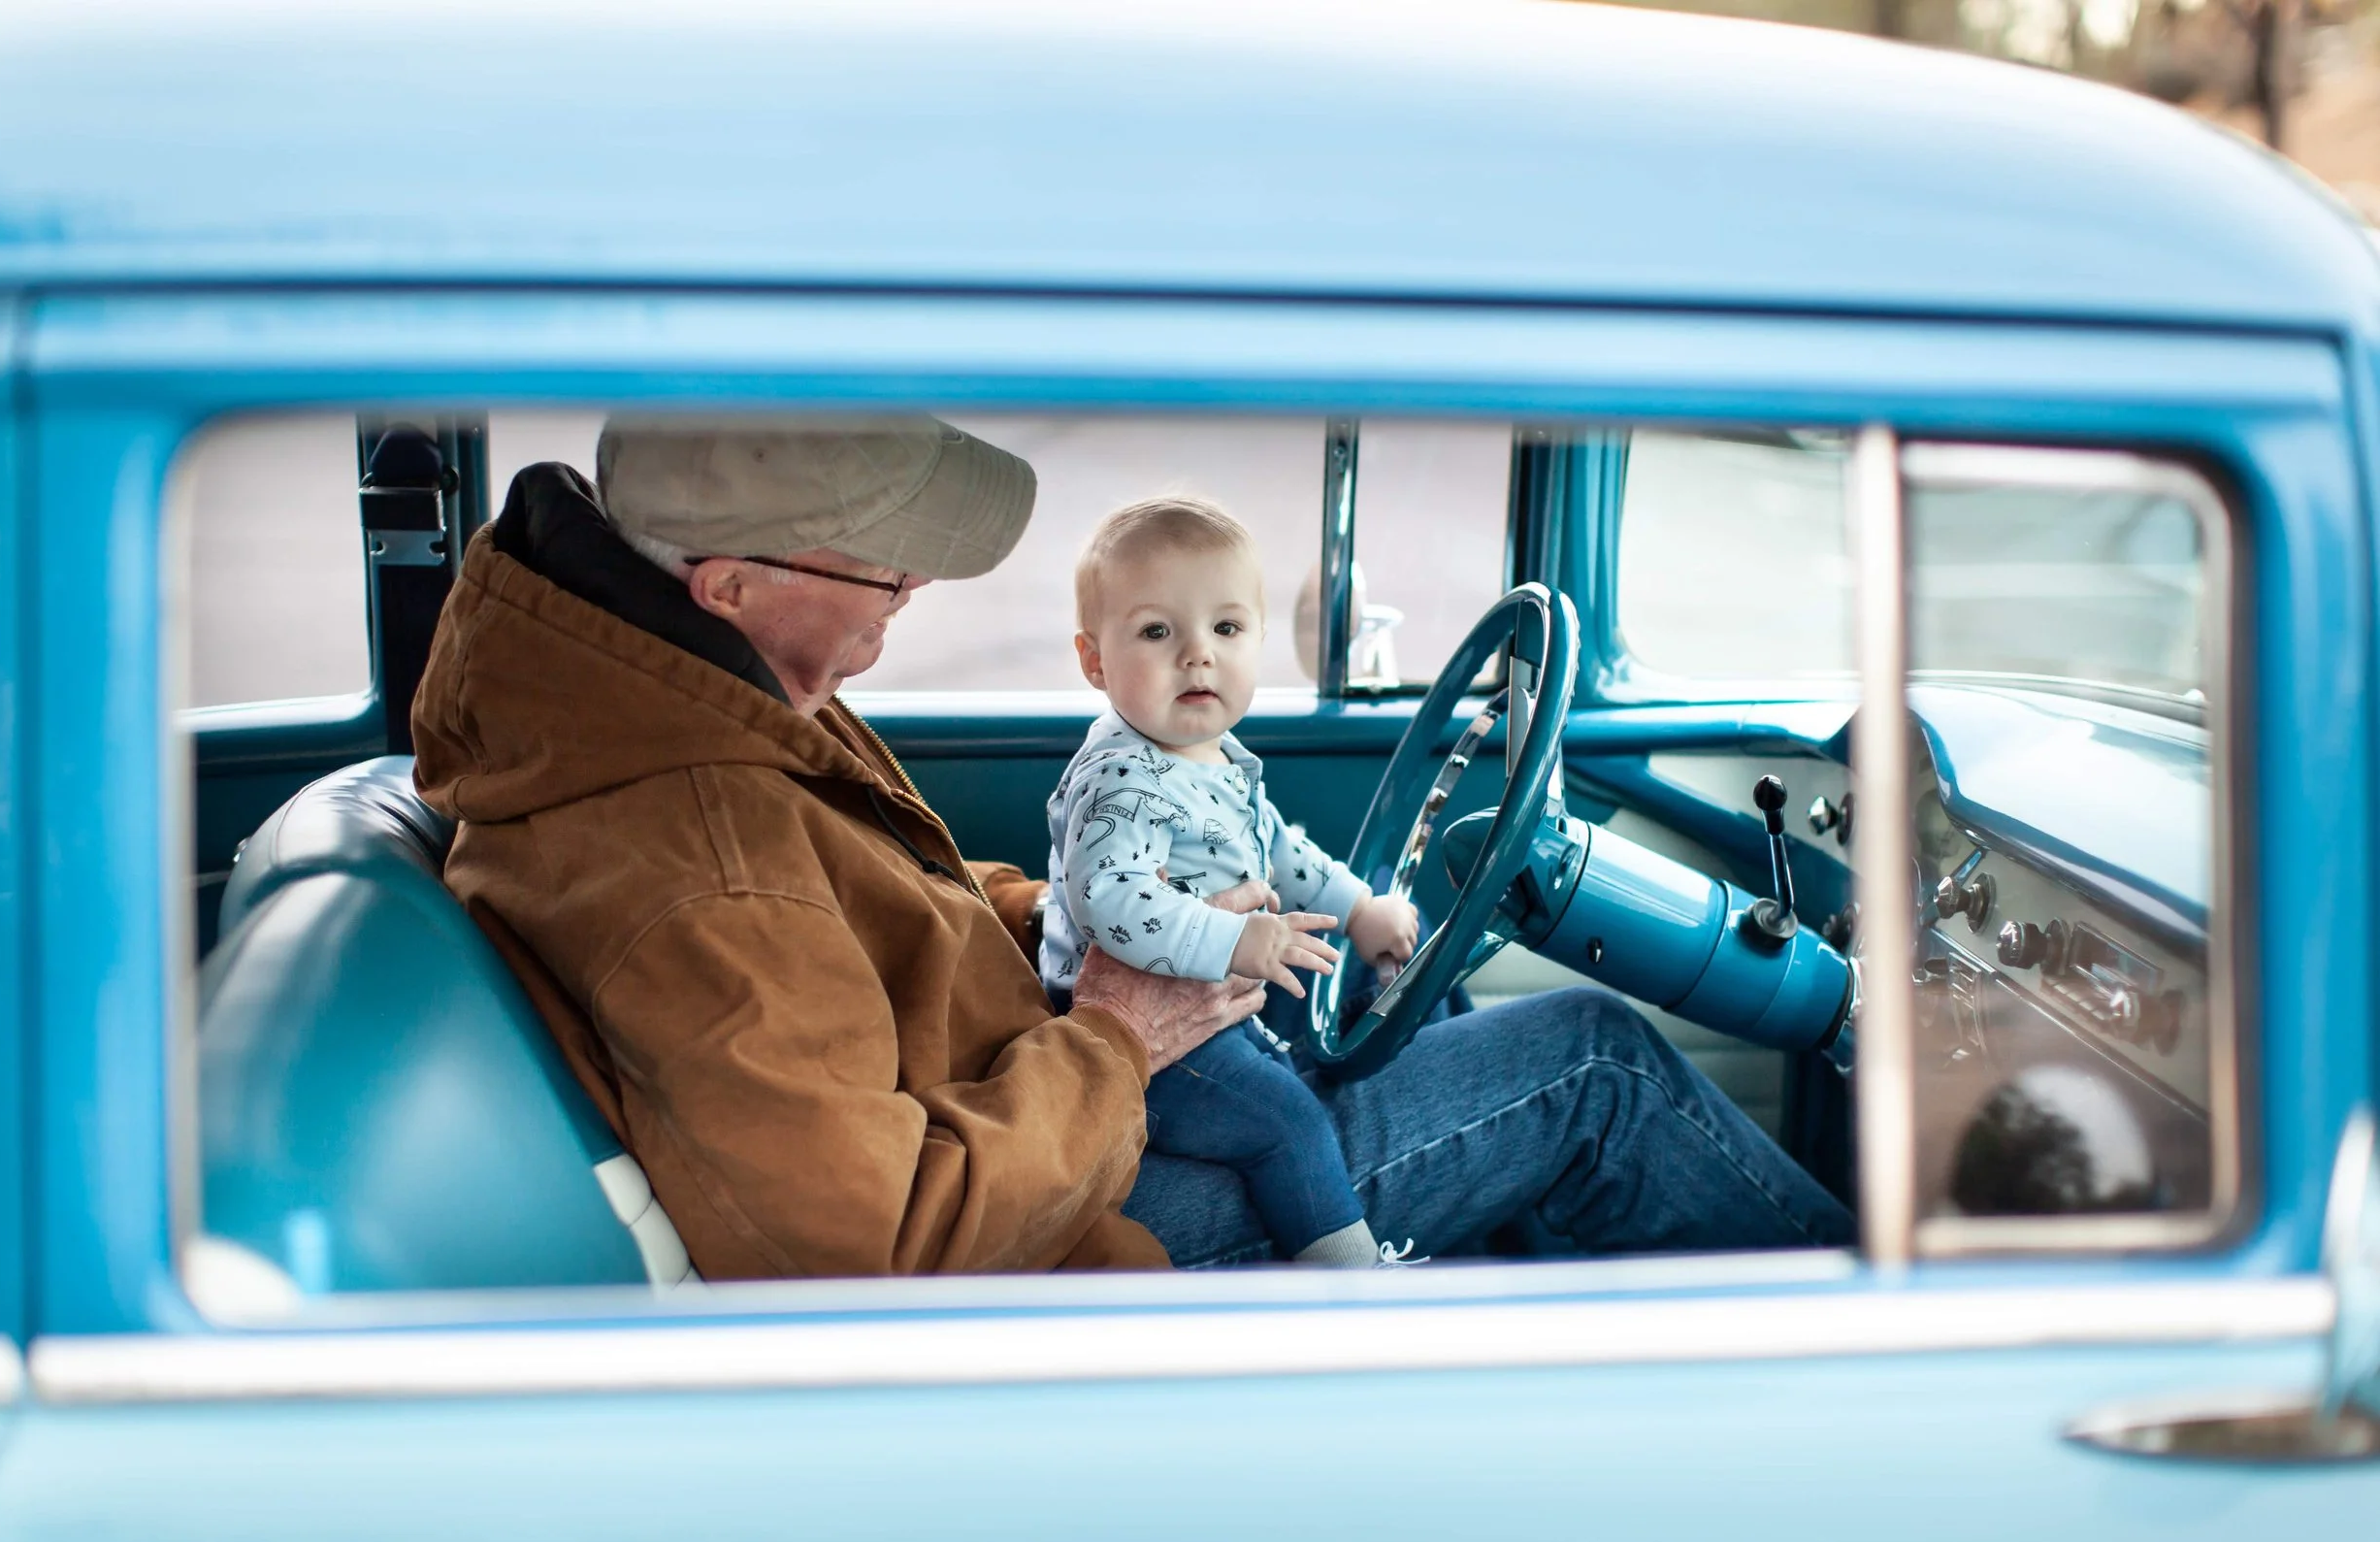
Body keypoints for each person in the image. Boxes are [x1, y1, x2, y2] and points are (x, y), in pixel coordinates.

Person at [411, 412, 1854, 1281]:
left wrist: (1078, 919)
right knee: (1592, 1057)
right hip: (1068, 1218)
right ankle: (1890, 1348)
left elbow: (880, 910)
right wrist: (1117, 1034)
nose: (917, 581)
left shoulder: (692, 697)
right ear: (728, 583)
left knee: (1454, 1020)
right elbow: (871, 1243)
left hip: (1037, 1098)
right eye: (888, 562)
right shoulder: (694, 852)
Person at [1042, 497, 1422, 1267]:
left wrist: (1356, 909)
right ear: (1093, 660)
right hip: (1137, 1045)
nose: (1197, 655)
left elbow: (1275, 847)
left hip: (1209, 989)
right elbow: (1110, 901)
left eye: (1226, 629)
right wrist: (1235, 938)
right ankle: (1355, 1282)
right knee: (1289, 1121)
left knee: (1402, 986)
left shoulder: (1208, 752)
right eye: (1157, 631)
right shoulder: (1124, 779)